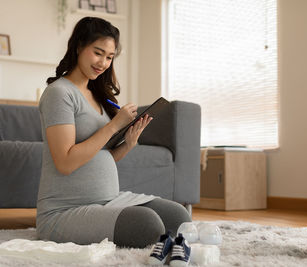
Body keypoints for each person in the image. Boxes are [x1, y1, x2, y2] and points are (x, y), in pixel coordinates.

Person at [36, 16, 191, 248]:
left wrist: (127, 143)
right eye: (98, 53)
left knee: (179, 217)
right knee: (147, 226)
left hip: (109, 200)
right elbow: (65, 163)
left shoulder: (98, 96)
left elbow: (100, 156)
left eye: (109, 57)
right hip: (66, 210)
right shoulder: (59, 93)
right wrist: (114, 126)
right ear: (79, 46)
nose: (103, 63)